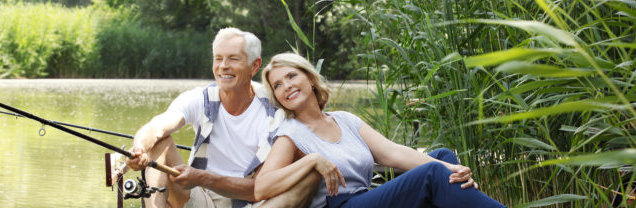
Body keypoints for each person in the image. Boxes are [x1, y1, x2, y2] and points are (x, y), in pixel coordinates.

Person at [255, 53, 506, 207]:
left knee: (442, 157)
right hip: (341, 205)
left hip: (367, 198)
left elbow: (392, 152)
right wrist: (311, 160)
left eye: (291, 76)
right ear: (276, 96)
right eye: (277, 85)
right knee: (431, 172)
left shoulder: (345, 119)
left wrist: (451, 169)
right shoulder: (291, 134)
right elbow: (261, 187)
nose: (285, 86)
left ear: (310, 79)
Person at [126, 29, 319, 208]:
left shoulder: (274, 110)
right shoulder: (200, 97)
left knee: (309, 176)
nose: (223, 66)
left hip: (251, 202)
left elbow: (258, 189)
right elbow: (156, 127)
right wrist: (139, 149)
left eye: (233, 59)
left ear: (254, 66)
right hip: (200, 197)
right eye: (218, 59)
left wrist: (203, 178)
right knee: (161, 142)